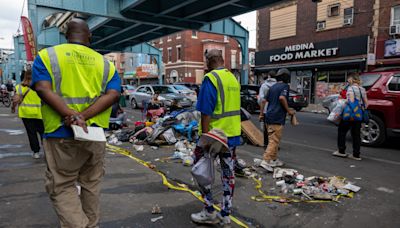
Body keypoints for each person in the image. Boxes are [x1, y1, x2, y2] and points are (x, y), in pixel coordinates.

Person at [31, 18, 121, 227]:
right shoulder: (105, 64)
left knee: (62, 185)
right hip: (94, 134)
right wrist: (84, 117)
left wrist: (71, 115)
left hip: (60, 133)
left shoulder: (48, 56)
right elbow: (113, 94)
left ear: (66, 36)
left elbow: (43, 89)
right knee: (91, 184)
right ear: (89, 36)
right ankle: (91, 224)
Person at [191, 49, 241, 226]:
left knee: (199, 169)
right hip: (232, 136)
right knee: (228, 174)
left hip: (214, 137)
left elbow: (206, 113)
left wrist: (205, 140)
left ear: (209, 61)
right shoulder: (233, 79)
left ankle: (209, 210)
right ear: (222, 59)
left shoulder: (211, 78)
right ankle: (226, 213)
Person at [259, 68, 295, 171]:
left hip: (268, 115)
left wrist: (261, 114)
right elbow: (282, 98)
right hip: (277, 116)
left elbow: (263, 101)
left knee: (273, 139)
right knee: (274, 140)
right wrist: (288, 110)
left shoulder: (272, 87)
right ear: (286, 77)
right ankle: (266, 160)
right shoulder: (285, 87)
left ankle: (274, 160)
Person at [333, 73, 368, 161]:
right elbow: (367, 104)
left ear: (352, 79)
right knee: (356, 134)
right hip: (358, 115)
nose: (348, 80)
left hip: (350, 114)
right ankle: (356, 155)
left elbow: (351, 101)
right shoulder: (362, 89)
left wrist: (343, 102)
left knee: (342, 131)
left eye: (349, 79)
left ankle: (341, 151)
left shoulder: (351, 88)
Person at [11, 69, 44, 159]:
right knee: (43, 132)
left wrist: (13, 108)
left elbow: (15, 99)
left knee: (31, 133)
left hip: (26, 113)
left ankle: (36, 152)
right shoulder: (40, 86)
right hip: (39, 113)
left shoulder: (19, 87)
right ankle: (47, 150)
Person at [258, 70, 277, 148]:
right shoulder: (277, 85)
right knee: (274, 128)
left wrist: (261, 111)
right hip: (275, 109)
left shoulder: (264, 86)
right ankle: (274, 144)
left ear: (268, 76)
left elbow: (261, 99)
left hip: (266, 109)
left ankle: (266, 144)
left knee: (266, 128)